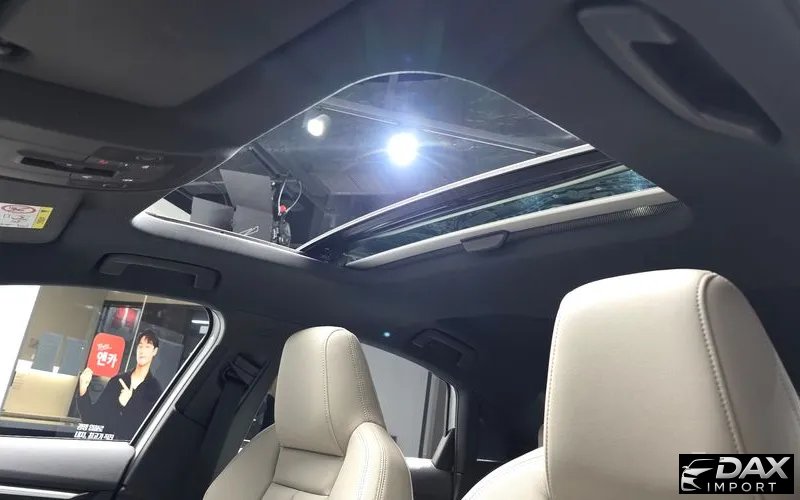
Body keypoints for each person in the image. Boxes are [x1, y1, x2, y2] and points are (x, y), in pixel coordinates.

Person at [76, 330, 164, 440]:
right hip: (105, 446)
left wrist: (129, 403)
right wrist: (83, 389)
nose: (142, 351)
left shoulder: (154, 389)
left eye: (147, 347)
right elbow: (93, 420)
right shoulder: (117, 381)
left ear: (155, 351)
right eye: (140, 346)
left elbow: (148, 430)